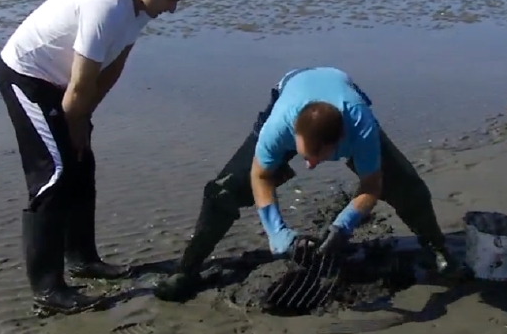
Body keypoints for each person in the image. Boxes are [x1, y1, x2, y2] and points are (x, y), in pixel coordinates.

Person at [0, 0, 196, 314]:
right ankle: (47, 290)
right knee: (55, 174)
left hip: (64, 83)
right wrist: (74, 125)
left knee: (81, 165)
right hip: (27, 77)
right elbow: (81, 81)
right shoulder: (106, 5)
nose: (172, 9)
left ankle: (82, 258)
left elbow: (113, 67)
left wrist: (84, 123)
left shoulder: (140, 7)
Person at [154, 66, 461, 302]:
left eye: (318, 158)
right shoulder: (278, 127)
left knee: (409, 187)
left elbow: (372, 183)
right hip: (292, 89)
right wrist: (278, 233)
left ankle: (438, 248)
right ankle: (187, 270)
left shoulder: (360, 128)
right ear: (293, 136)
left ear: (341, 144)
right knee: (221, 191)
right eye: (303, 156)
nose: (309, 166)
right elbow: (260, 176)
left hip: (344, 93)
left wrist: (344, 225)